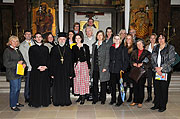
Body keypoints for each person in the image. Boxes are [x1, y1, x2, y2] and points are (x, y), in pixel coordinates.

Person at [151, 33, 175, 112]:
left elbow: (171, 60)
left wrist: (161, 68)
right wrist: (156, 68)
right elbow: (152, 59)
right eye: (159, 38)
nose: (161, 40)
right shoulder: (155, 47)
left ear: (165, 39)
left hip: (165, 71)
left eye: (162, 38)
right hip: (156, 71)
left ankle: (163, 106)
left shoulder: (170, 48)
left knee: (163, 89)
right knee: (156, 89)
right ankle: (157, 104)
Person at [50, 32, 73, 106]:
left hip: (66, 72)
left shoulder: (68, 49)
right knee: (57, 87)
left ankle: (66, 101)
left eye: (63, 39)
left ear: (66, 40)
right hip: (56, 72)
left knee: (65, 87)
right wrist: (52, 73)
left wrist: (70, 73)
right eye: (60, 39)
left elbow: (71, 62)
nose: (62, 41)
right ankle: (57, 101)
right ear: (58, 40)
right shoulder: (54, 49)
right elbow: (51, 62)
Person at [3, 35, 26, 111]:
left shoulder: (17, 50)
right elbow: (6, 63)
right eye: (13, 41)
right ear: (10, 42)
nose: (15, 43)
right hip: (12, 73)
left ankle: (16, 102)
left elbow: (22, 59)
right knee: (14, 89)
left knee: (18, 88)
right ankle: (13, 105)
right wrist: (17, 63)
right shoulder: (7, 51)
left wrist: (24, 63)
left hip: (18, 72)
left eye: (16, 41)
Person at [28, 32, 50, 107]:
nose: (38, 38)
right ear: (34, 38)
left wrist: (45, 66)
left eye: (40, 37)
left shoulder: (46, 48)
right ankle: (36, 102)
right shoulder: (32, 48)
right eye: (37, 37)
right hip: (36, 70)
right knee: (36, 87)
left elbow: (48, 59)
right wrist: (38, 67)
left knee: (44, 86)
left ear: (42, 38)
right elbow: (31, 59)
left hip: (45, 70)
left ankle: (44, 102)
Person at [130, 39, 151, 108]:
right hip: (135, 71)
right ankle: (135, 100)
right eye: (137, 44)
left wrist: (142, 64)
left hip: (142, 72)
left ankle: (140, 101)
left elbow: (149, 62)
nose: (139, 45)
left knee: (141, 87)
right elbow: (131, 60)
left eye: (140, 44)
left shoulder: (147, 53)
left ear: (143, 44)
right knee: (135, 87)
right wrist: (133, 63)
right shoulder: (134, 52)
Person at [90, 30, 110, 104]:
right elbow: (93, 57)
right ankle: (95, 99)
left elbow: (107, 57)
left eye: (101, 35)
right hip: (95, 67)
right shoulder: (94, 45)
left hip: (103, 68)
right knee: (95, 84)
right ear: (96, 36)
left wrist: (105, 67)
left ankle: (102, 99)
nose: (99, 36)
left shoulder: (106, 45)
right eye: (98, 35)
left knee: (103, 84)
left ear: (103, 37)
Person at [109, 35, 129, 106]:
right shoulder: (111, 48)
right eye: (115, 39)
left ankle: (120, 100)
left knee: (121, 86)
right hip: (112, 70)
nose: (117, 40)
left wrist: (123, 69)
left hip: (120, 70)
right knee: (113, 86)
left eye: (118, 39)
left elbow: (126, 60)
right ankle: (113, 99)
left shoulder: (124, 48)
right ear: (113, 40)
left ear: (120, 40)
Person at [72, 33, 91, 105]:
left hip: (84, 65)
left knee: (83, 81)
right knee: (77, 80)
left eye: (79, 38)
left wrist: (89, 66)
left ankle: (83, 97)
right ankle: (80, 95)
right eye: (76, 38)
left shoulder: (85, 46)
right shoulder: (73, 47)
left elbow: (88, 57)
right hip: (76, 65)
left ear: (81, 38)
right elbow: (72, 58)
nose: (77, 39)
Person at [19, 30, 35, 103]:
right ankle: (27, 97)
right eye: (27, 34)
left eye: (29, 34)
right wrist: (28, 64)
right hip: (28, 66)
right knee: (28, 83)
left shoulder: (34, 43)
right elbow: (23, 57)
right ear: (24, 36)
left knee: (34, 82)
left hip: (35, 66)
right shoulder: (22, 45)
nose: (28, 35)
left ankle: (33, 96)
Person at [145, 33, 157, 102]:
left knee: (156, 83)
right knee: (149, 82)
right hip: (148, 67)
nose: (152, 39)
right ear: (149, 39)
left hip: (155, 68)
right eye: (151, 38)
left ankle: (156, 97)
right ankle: (149, 96)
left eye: (154, 38)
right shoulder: (147, 47)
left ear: (155, 39)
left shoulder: (158, 46)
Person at [123, 34, 135, 102]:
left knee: (131, 84)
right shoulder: (123, 47)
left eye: (129, 38)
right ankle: (123, 96)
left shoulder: (134, 47)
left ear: (132, 39)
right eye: (127, 38)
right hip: (125, 68)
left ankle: (130, 96)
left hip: (131, 68)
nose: (128, 40)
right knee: (124, 83)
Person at [105, 27, 114, 94]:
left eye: (110, 31)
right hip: (104, 58)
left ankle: (110, 89)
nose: (109, 33)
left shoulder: (113, 40)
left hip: (111, 59)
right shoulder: (104, 39)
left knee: (110, 75)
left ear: (112, 32)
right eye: (107, 31)